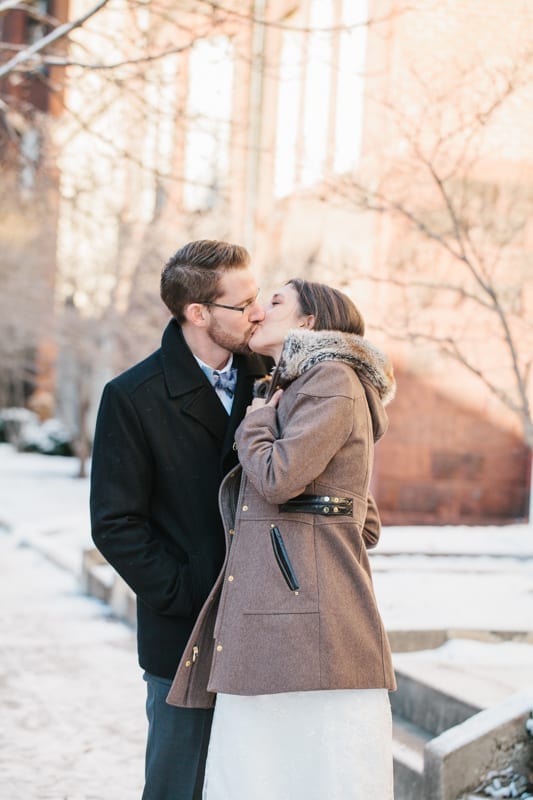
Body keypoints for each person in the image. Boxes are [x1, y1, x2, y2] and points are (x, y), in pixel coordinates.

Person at [167, 278, 397, 799]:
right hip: (280, 609)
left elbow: (276, 478)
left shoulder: (331, 378)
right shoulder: (297, 383)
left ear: (309, 322)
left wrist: (255, 424)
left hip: (294, 615)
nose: (256, 313)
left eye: (273, 303)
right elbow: (362, 516)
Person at [89, 240, 271, 800]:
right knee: (177, 785)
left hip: (268, 625)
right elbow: (115, 523)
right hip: (185, 634)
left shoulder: (275, 377)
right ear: (197, 313)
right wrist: (185, 591)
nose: (257, 313)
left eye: (258, 299)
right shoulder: (131, 396)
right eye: (242, 305)